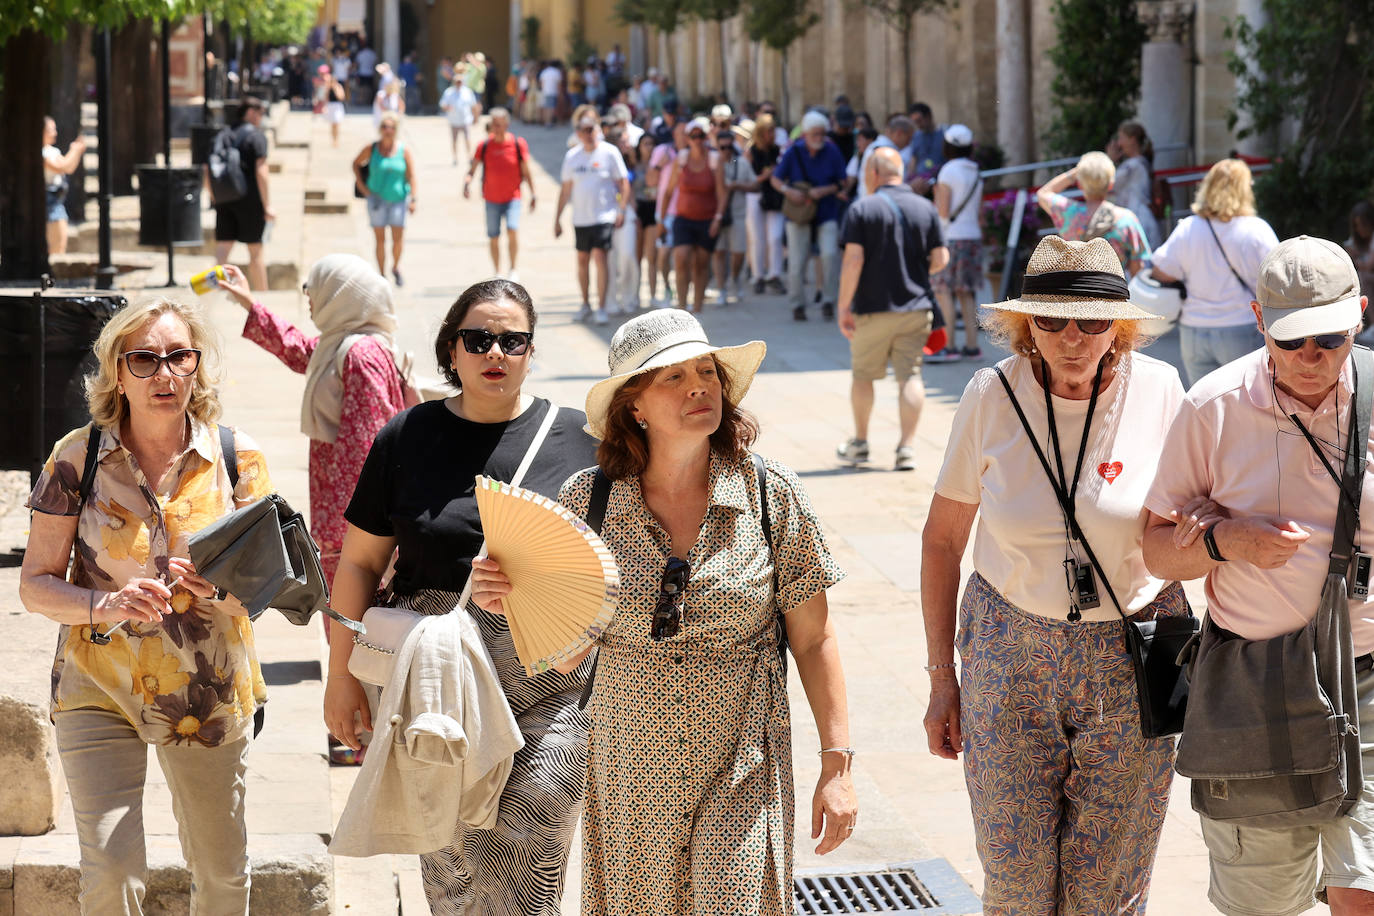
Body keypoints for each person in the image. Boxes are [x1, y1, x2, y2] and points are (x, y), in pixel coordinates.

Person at [469, 309, 858, 914]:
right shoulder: (588, 497)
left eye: (706, 371)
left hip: (743, 756)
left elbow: (814, 638)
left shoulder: (767, 491)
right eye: (672, 378)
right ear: (635, 408)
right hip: (628, 765)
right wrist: (508, 598)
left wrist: (837, 765)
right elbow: (565, 650)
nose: (698, 386)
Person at [922, 235, 1188, 915]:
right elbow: (944, 539)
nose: (1073, 338)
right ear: (1025, 325)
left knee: (1109, 888)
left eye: (1094, 322)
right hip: (1009, 651)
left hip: (1128, 654)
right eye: (1052, 320)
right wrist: (941, 679)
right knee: (1015, 882)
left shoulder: (1160, 391)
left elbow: (1188, 524)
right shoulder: (991, 394)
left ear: (1119, 327)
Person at [324, 278, 597, 914]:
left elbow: (612, 564)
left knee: (534, 850)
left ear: (531, 351)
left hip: (546, 678)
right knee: (450, 864)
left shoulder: (580, 439)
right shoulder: (406, 435)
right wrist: (340, 672)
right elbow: (360, 563)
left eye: (512, 340)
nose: (495, 352)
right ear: (452, 349)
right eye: (478, 339)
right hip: (435, 676)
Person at [1141, 235, 1374, 916]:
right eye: (1290, 339)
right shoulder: (1212, 408)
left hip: (1367, 676)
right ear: (1257, 319)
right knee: (1263, 905)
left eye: (1328, 340)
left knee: (1362, 892)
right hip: (1255, 684)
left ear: (1359, 314)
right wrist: (1227, 542)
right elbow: (1156, 550)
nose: (1310, 358)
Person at [19, 296, 275, 914]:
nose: (165, 373)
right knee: (110, 872)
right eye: (145, 359)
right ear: (117, 374)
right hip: (98, 685)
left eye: (178, 356)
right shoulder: (76, 458)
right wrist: (107, 603)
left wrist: (217, 588)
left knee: (219, 872)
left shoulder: (238, 460)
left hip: (206, 689)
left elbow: (268, 591)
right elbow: (35, 585)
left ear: (197, 367)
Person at [835, 148, 949, 471]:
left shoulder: (862, 209)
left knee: (863, 376)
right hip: (915, 309)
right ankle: (906, 449)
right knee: (910, 376)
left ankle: (860, 443)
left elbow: (853, 261)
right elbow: (940, 260)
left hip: (872, 309)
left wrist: (844, 306)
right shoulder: (925, 208)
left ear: (872, 174)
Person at [1149, 158, 1280, 386]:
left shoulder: (1189, 228)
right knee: (1247, 406)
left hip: (1194, 330)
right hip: (1241, 327)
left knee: (1205, 409)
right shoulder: (1257, 230)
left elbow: (1160, 271)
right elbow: (1278, 279)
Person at [772, 110, 848, 321]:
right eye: (815, 134)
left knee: (830, 255)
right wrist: (789, 191)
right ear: (805, 134)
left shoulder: (832, 151)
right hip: (799, 212)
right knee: (796, 261)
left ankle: (828, 300)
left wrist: (824, 191)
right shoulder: (793, 152)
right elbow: (776, 179)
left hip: (826, 211)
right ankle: (797, 303)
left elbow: (843, 182)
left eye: (822, 134)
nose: (819, 138)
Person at [555, 115, 630, 324]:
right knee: (582, 260)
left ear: (598, 130)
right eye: (584, 130)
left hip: (604, 215)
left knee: (600, 257)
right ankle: (585, 303)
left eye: (592, 129)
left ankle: (602, 306)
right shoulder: (572, 157)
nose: (589, 134)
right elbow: (565, 189)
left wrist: (621, 209)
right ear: (578, 134)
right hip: (580, 218)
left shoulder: (609, 152)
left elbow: (623, 181)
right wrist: (557, 218)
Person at [1037, 151, 1151, 280]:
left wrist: (1075, 173)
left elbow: (1043, 193)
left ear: (1079, 184)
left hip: (1076, 294)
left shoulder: (1068, 213)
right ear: (1111, 184)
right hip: (1113, 294)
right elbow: (1137, 268)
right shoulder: (1127, 220)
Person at [927, 124, 984, 362]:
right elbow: (979, 212)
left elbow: (942, 211)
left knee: (943, 290)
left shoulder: (948, 171)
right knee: (967, 292)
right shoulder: (976, 171)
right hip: (972, 235)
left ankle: (948, 346)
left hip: (950, 237)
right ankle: (972, 346)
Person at [660, 117, 727, 313]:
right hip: (684, 217)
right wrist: (661, 220)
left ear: (706, 137)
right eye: (693, 136)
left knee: (701, 264)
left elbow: (722, 193)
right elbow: (669, 191)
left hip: (707, 219)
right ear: (688, 138)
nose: (697, 139)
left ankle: (697, 308)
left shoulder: (715, 160)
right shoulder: (681, 159)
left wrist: (718, 218)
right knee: (681, 258)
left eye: (701, 135)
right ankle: (681, 306)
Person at [210, 96, 274, 292]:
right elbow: (261, 172)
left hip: (224, 198)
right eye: (260, 114)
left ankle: (216, 291)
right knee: (255, 253)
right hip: (250, 201)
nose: (261, 118)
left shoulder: (222, 135)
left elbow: (208, 168)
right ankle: (263, 296)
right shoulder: (256, 136)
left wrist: (214, 195)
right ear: (251, 112)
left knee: (223, 249)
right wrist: (267, 205)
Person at [465, 108, 535, 282]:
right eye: (493, 125)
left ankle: (513, 268)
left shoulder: (518, 144)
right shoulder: (484, 146)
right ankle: (498, 270)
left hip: (513, 197)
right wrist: (467, 182)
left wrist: (533, 193)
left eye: (498, 124)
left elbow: (526, 171)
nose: (495, 128)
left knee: (512, 229)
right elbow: (472, 168)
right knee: (494, 236)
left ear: (506, 124)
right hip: (491, 199)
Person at [353, 112, 417, 286]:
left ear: (396, 130)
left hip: (398, 198)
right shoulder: (372, 148)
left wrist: (413, 199)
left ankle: (395, 267)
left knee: (397, 239)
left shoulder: (403, 151)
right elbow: (356, 163)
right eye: (384, 127)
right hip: (376, 200)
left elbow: (411, 176)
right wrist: (362, 187)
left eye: (391, 127)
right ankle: (381, 274)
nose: (387, 131)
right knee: (379, 239)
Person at [713, 122, 758, 305]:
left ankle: (735, 277)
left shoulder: (740, 163)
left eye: (728, 146)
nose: (725, 150)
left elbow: (755, 185)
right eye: (721, 147)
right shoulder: (713, 163)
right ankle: (722, 288)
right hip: (716, 214)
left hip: (737, 214)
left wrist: (738, 186)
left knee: (738, 252)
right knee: (718, 252)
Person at [746, 112, 786, 296]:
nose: (772, 134)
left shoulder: (778, 151)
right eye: (769, 131)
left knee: (775, 237)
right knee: (757, 238)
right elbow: (746, 176)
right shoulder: (750, 152)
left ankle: (774, 274)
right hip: (756, 195)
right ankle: (758, 276)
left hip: (774, 197)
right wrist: (764, 176)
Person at [42, 115, 85, 256]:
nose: (55, 133)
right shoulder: (42, 153)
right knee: (56, 248)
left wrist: (78, 151)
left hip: (57, 200)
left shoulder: (52, 151)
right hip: (48, 201)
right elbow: (62, 166)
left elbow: (69, 168)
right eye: (51, 129)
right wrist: (74, 150)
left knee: (60, 247)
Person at [1114, 120, 1161, 248]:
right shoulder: (1140, 163)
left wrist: (1110, 160)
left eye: (1121, 138)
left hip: (1137, 221)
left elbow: (1109, 184)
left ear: (1132, 140)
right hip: (1142, 219)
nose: (1119, 143)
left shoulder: (1132, 166)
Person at [630, 133, 662, 306]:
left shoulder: (659, 166)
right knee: (637, 255)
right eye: (645, 144)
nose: (648, 147)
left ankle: (653, 294)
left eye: (651, 143)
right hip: (638, 209)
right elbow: (628, 189)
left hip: (653, 209)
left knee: (652, 255)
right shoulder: (634, 166)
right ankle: (635, 295)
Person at [440, 75, 481, 165]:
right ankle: (455, 158)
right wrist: (447, 108)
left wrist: (476, 118)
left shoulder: (467, 92)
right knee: (454, 140)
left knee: (467, 139)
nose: (459, 83)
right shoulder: (449, 92)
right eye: (457, 81)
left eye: (460, 81)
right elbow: (442, 104)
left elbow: (473, 105)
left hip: (465, 120)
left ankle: (469, 156)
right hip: (454, 120)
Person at [906, 102, 944, 194]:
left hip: (940, 183)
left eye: (919, 120)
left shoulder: (945, 134)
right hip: (920, 185)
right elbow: (913, 160)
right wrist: (911, 179)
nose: (918, 125)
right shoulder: (916, 136)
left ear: (929, 116)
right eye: (915, 122)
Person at [1347, 200, 1374, 305]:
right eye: (1356, 225)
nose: (1359, 229)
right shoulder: (1355, 240)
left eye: (1363, 224)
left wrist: (1355, 258)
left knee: (1363, 277)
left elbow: (1369, 267)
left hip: (1368, 278)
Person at [321, 70, 347, 147]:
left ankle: (336, 140)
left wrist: (335, 89)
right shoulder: (328, 88)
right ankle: (333, 140)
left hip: (337, 106)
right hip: (331, 106)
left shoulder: (338, 87)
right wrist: (324, 107)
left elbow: (341, 97)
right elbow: (326, 98)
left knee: (337, 124)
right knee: (332, 124)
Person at [538, 60, 562, 126]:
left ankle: (546, 121)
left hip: (545, 92)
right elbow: (559, 84)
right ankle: (549, 122)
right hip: (553, 92)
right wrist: (559, 93)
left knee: (546, 107)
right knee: (551, 108)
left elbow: (541, 82)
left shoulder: (545, 71)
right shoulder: (556, 72)